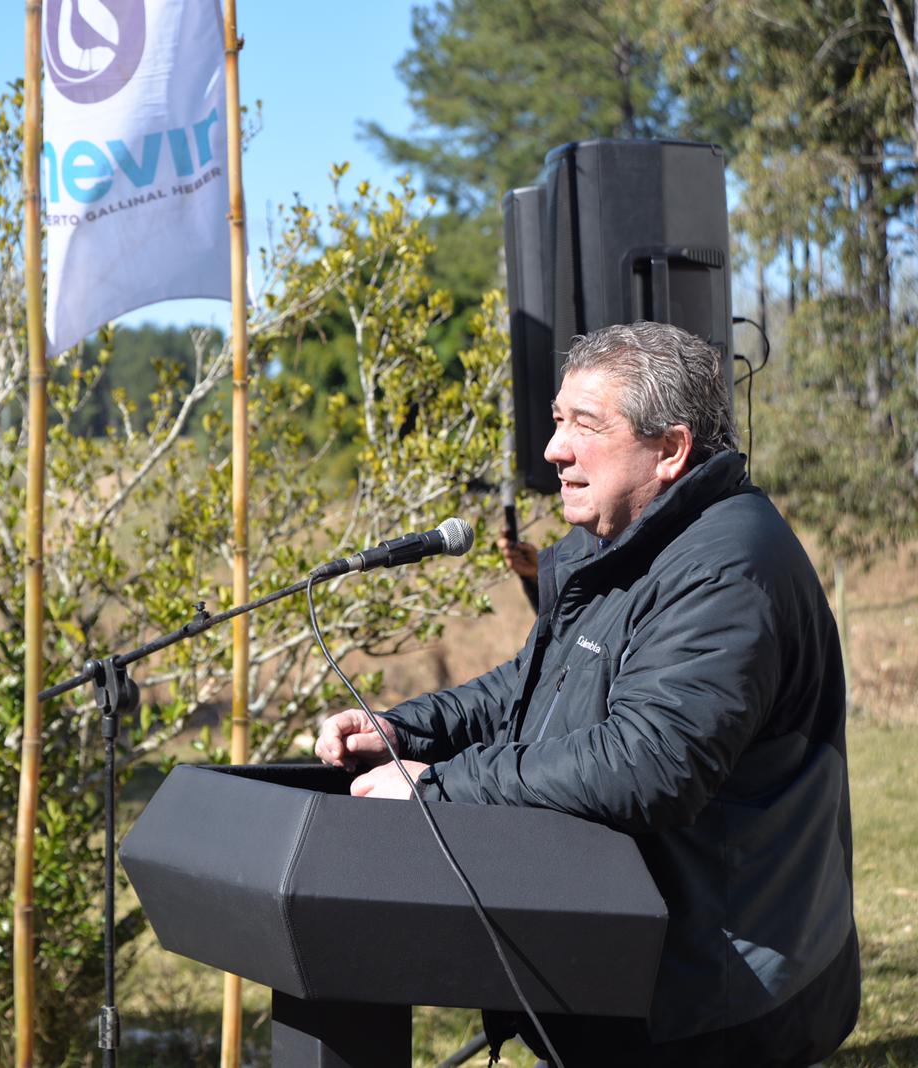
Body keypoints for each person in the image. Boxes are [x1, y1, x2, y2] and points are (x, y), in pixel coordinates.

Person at [315, 322, 859, 1067]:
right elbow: (537, 686)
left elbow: (649, 764)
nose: (554, 450)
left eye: (585, 426)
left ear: (669, 450)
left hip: (720, 993)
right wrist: (408, 731)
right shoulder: (621, 541)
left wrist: (441, 785)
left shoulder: (727, 568)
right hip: (633, 959)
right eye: (557, 421)